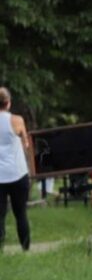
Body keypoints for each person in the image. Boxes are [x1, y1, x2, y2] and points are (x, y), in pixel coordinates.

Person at [0, 86, 32, 253]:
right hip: (17, 174)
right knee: (21, 214)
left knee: (0, 216)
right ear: (8, 103)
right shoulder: (17, 120)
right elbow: (25, 143)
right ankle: (25, 248)